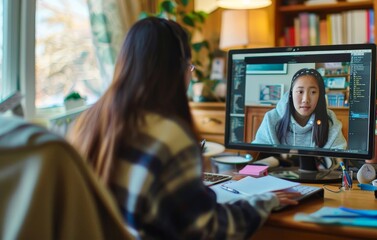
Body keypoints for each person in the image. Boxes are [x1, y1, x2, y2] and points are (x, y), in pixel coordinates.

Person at [68, 17, 300, 240]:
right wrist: (263, 201)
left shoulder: (90, 120)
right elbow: (208, 230)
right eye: (189, 67)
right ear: (175, 69)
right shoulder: (169, 135)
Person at [253, 68, 347, 149]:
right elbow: (257, 155)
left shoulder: (330, 121)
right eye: (300, 91)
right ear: (291, 94)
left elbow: (339, 160)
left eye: (313, 92)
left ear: (320, 96)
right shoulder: (271, 119)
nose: (305, 99)